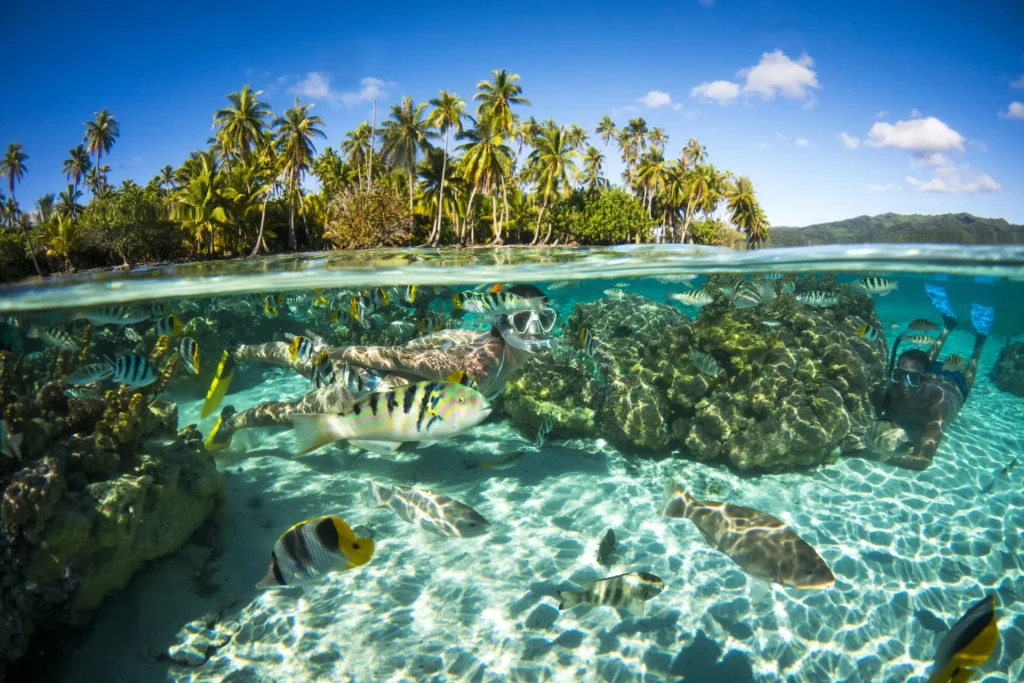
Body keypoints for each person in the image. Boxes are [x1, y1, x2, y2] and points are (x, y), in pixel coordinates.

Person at [203, 284, 557, 452]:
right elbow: (399, 357)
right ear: (503, 320)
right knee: (293, 410)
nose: (535, 331)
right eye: (524, 320)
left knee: (302, 363)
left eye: (545, 319)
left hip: (379, 396)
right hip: (363, 393)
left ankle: (238, 354)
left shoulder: (479, 336)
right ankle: (232, 418)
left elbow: (431, 340)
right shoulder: (482, 367)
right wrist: (338, 353)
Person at [870, 290, 993, 470]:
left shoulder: (937, 407)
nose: (903, 383)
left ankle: (979, 344)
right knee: (921, 361)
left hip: (954, 386)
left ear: (924, 380)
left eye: (911, 379)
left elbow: (922, 461)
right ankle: (947, 328)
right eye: (898, 376)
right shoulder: (894, 387)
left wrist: (887, 457)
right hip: (926, 374)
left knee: (966, 379)